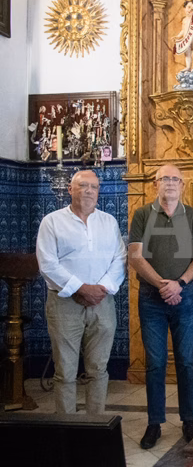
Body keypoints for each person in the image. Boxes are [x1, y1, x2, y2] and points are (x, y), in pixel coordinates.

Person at [36, 170, 127, 415]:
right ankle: (66, 430)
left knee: (98, 369)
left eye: (94, 187)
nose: (89, 191)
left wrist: (101, 289)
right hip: (65, 303)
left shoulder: (109, 222)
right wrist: (80, 288)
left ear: (99, 191)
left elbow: (120, 259)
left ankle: (94, 427)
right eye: (83, 185)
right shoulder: (52, 221)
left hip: (102, 302)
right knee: (65, 370)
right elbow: (47, 263)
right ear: (70, 189)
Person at [128, 164, 193, 448]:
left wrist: (179, 284)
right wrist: (162, 284)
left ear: (183, 185)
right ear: (155, 184)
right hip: (152, 299)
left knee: (186, 361)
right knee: (156, 362)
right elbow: (135, 256)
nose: (170, 183)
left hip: (183, 298)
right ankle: (154, 423)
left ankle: (189, 419)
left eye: (175, 179)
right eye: (164, 179)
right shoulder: (143, 214)